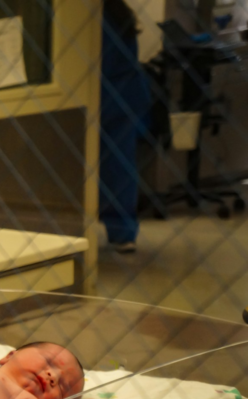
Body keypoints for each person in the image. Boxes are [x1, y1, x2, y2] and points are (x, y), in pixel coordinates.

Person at [99, 0, 151, 253]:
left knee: (115, 167)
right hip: (126, 96)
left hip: (110, 97)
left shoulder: (97, 19)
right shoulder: (118, 13)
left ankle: (121, 231)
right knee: (119, 166)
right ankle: (123, 233)